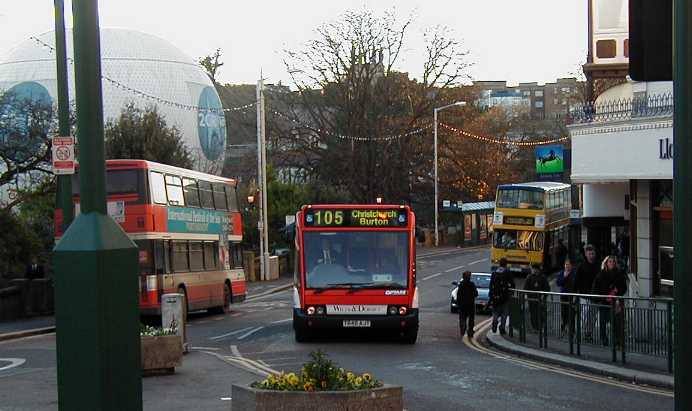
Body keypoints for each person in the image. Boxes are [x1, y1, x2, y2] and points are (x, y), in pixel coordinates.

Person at [592, 255, 627, 347]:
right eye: (610, 261)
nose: (612, 263)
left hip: (615, 302)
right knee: (603, 322)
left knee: (616, 323)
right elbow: (595, 288)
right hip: (604, 303)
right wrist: (601, 298)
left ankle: (617, 341)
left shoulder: (619, 274)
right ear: (606, 263)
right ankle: (604, 340)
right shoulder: (600, 275)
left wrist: (617, 292)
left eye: (613, 262)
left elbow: (624, 287)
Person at [576, 245, 599, 340]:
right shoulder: (581, 266)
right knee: (584, 316)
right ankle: (582, 332)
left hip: (595, 296)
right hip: (584, 295)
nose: (591, 256)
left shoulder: (598, 266)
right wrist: (575, 294)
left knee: (593, 317)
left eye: (592, 254)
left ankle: (589, 333)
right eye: (589, 254)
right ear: (586, 254)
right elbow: (577, 280)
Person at [489, 258, 515, 335]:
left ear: (499, 264)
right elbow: (512, 284)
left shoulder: (494, 273)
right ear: (506, 264)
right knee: (504, 313)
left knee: (495, 311)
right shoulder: (508, 272)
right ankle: (502, 328)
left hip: (495, 296)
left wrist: (492, 294)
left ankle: (494, 321)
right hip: (505, 296)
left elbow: (491, 285)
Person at [524, 264, 550, 331]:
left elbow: (547, 288)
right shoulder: (529, 277)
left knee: (541, 314)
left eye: (534, 269)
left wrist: (544, 296)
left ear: (537, 269)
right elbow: (525, 288)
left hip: (540, 300)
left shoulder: (543, 277)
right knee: (533, 314)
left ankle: (541, 326)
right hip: (532, 300)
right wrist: (527, 295)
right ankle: (535, 327)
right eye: (532, 269)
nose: (533, 270)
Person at [556, 258, 577, 334]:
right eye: (566, 264)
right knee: (564, 312)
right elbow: (558, 283)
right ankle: (564, 326)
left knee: (571, 313)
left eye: (569, 265)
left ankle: (571, 329)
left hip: (572, 296)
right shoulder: (561, 273)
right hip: (563, 295)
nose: (567, 266)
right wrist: (564, 277)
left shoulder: (574, 273)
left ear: (572, 266)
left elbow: (575, 283)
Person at [456, 271, 478, 339]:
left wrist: (458, 303)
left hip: (462, 305)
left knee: (462, 317)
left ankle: (463, 326)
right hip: (470, 305)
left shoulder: (461, 284)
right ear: (469, 277)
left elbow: (458, 295)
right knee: (471, 319)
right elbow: (476, 294)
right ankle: (470, 331)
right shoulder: (472, 284)